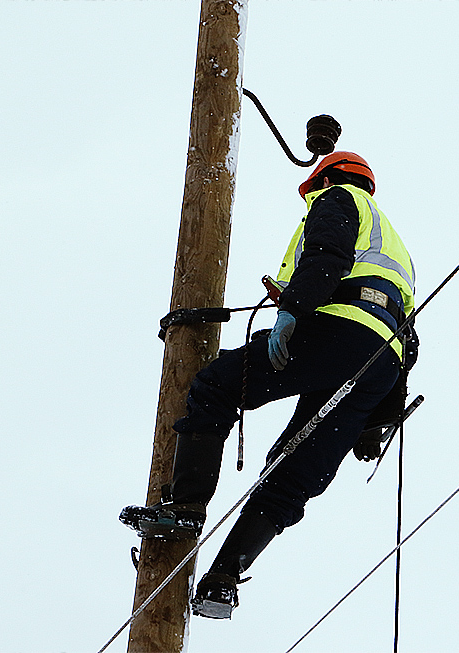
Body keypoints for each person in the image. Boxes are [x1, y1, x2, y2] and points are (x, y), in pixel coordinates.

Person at [120, 151, 418, 619]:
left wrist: (292, 311)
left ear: (322, 180)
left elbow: (327, 255)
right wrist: (373, 420)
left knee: (217, 386)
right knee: (293, 471)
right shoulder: (396, 246)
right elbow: (406, 335)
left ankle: (185, 507)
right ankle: (221, 581)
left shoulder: (339, 199)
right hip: (381, 361)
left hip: (339, 330)